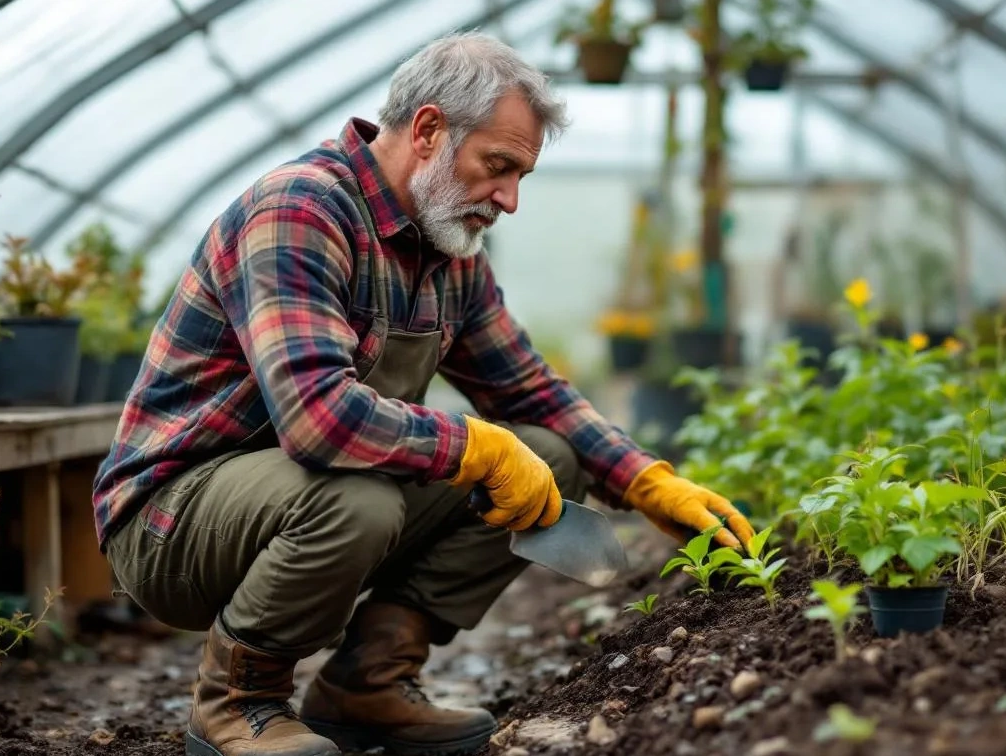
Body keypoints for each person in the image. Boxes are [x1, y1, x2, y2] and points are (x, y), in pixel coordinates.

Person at [92, 30, 755, 756]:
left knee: (546, 456)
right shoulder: (301, 210)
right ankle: (237, 702)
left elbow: (528, 390)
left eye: (520, 177)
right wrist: (478, 445)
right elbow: (318, 422)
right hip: (173, 518)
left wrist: (646, 480)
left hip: (298, 497)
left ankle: (368, 682)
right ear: (430, 130)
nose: (508, 199)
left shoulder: (451, 250)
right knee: (362, 496)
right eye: (497, 167)